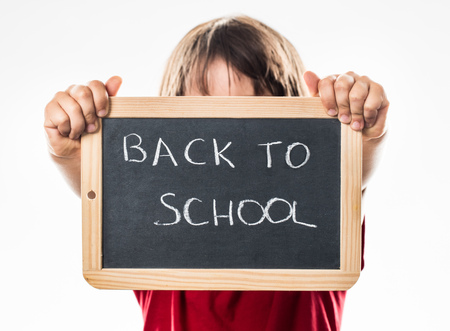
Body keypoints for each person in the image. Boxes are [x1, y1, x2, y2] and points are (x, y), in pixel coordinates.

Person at [44, 15, 388, 331]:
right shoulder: (159, 220)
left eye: (253, 114)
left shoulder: (311, 215)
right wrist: (73, 152)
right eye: (207, 116)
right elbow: (110, 189)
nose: (228, 143)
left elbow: (350, 176)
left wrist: (364, 131)